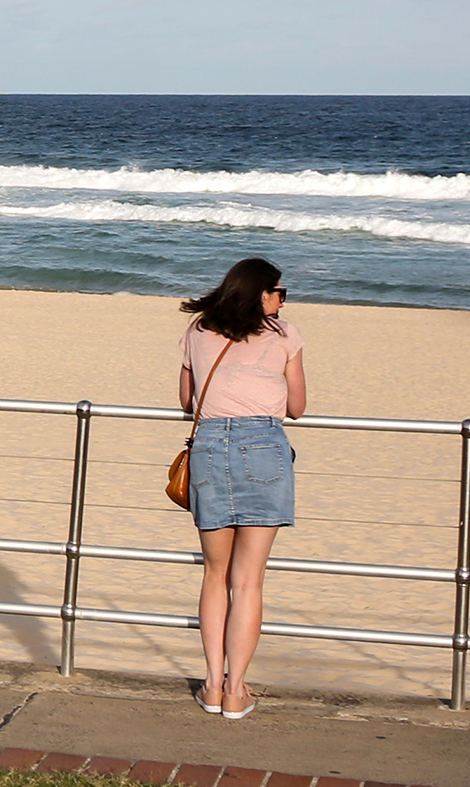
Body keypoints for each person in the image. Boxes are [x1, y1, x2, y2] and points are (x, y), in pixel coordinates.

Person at [178, 256, 305, 720]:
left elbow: (187, 400)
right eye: (279, 291)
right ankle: (236, 690)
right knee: (248, 580)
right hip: (264, 447)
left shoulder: (197, 330)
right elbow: (298, 406)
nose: (282, 299)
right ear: (260, 293)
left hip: (210, 448)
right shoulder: (284, 335)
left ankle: (211, 685)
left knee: (215, 574)